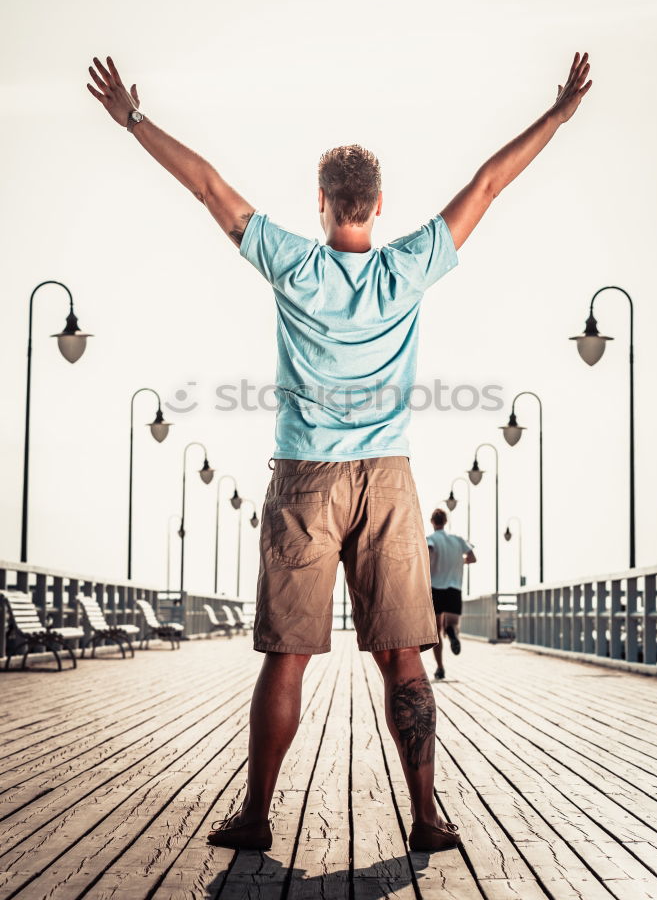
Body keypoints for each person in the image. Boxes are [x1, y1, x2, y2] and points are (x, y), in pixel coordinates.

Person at [87, 51, 591, 852]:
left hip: (304, 477)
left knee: (287, 657)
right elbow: (489, 182)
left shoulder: (292, 263)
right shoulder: (408, 265)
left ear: (321, 204)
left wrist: (135, 121)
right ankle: (427, 817)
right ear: (378, 205)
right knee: (402, 656)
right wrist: (557, 117)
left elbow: (209, 188)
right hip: (388, 479)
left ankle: (255, 818)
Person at [427, 509, 476, 679]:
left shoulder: (431, 539)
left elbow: (427, 553)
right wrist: (459, 561)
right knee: (453, 624)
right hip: (454, 587)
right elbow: (472, 558)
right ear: (445, 521)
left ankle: (440, 668)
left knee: (436, 632)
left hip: (435, 588)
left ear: (432, 522)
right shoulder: (458, 540)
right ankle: (452, 631)